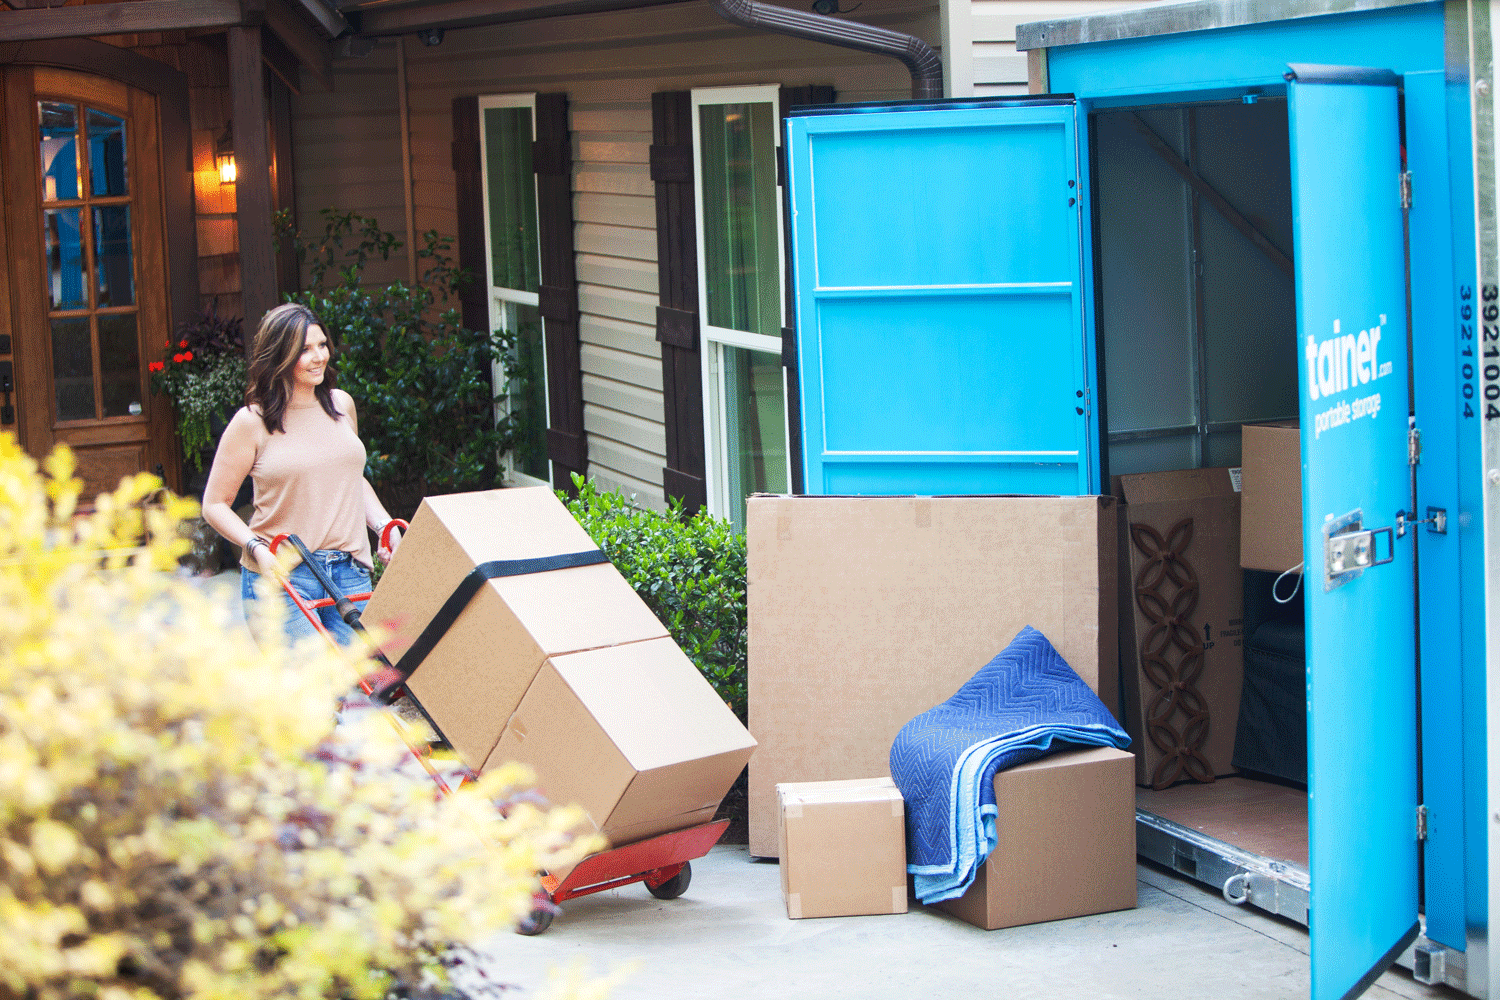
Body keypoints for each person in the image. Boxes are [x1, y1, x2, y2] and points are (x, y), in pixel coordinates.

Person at [202, 302, 402, 646]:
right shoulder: (252, 422)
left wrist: (384, 527)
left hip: (349, 571)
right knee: (311, 694)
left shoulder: (341, 405)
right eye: (305, 350)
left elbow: (351, 479)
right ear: (279, 356)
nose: (319, 356)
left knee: (354, 689)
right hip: (283, 577)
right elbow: (215, 504)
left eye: (322, 345)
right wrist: (256, 548)